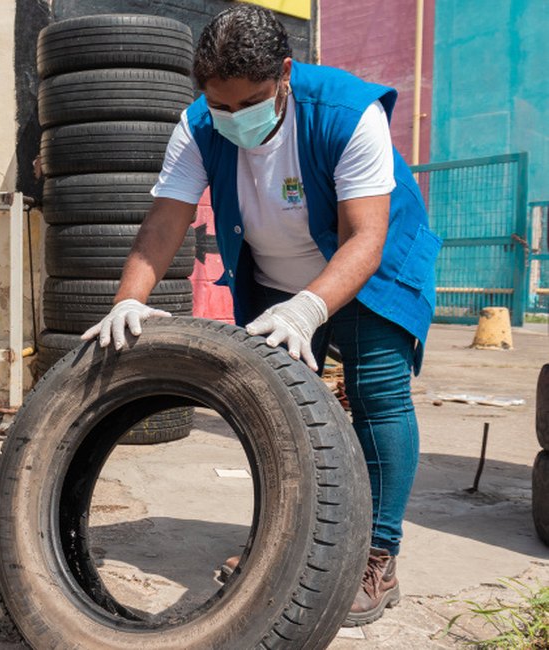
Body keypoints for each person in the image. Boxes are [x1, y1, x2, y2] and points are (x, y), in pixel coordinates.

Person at [83, 5, 439, 626]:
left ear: (285, 73)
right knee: (275, 403)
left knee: (376, 395)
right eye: (220, 105)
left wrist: (309, 307)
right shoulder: (199, 125)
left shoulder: (347, 114)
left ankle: (375, 557)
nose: (232, 119)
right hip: (276, 272)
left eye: (248, 103)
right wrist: (128, 301)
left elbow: (364, 237)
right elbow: (167, 217)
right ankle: (287, 541)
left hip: (368, 266)